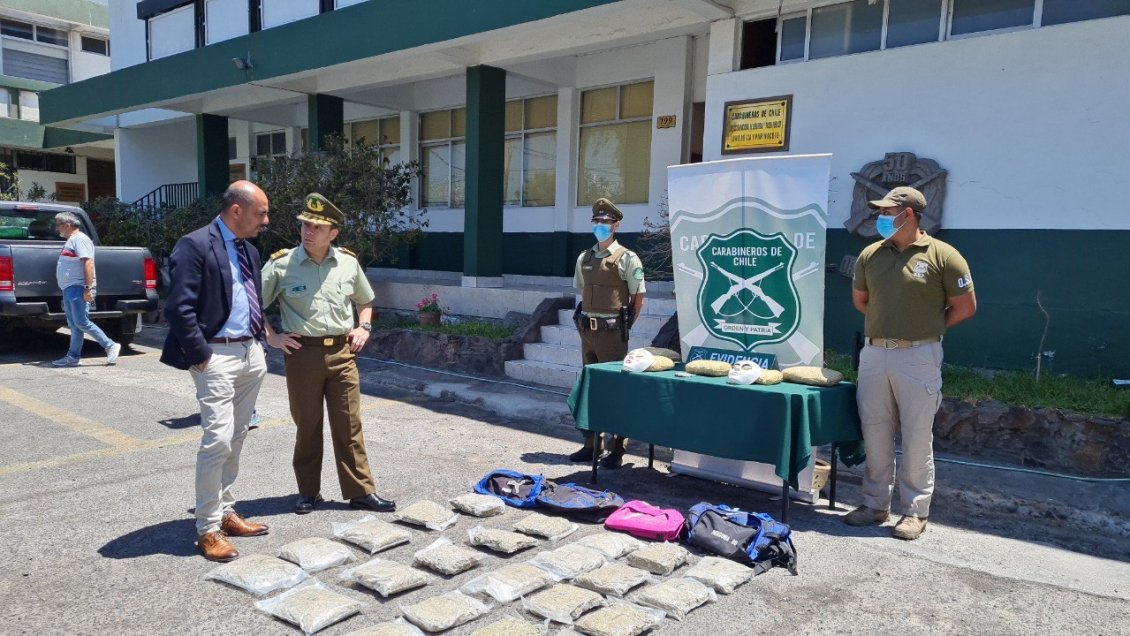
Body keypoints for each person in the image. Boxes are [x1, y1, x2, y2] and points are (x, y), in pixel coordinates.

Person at [846, 186, 977, 540]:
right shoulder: (870, 255)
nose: (881, 218)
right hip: (874, 354)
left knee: (917, 435)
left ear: (909, 214)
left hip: (919, 355)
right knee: (874, 430)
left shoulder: (944, 256)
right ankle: (875, 504)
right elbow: (861, 301)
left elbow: (966, 306)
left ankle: (915, 511)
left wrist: (928, 328)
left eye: (888, 212)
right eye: (880, 212)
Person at [261, 193, 396, 515]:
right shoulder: (281, 264)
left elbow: (365, 300)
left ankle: (361, 492)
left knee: (349, 425)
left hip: (342, 352)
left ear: (333, 233)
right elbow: (254, 305)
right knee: (308, 426)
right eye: (305, 225)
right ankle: (308, 492)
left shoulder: (347, 262)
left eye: (317, 227)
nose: (308, 232)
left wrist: (364, 327)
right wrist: (272, 337)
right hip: (302, 355)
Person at [161, 181, 271, 562]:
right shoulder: (194, 245)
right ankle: (207, 529)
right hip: (216, 356)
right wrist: (202, 356)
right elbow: (178, 307)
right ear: (236, 210)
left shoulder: (249, 250)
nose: (266, 221)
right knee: (218, 440)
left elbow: (252, 299)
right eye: (261, 213)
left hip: (249, 353)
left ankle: (225, 511)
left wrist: (259, 342)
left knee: (237, 436)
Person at [567, 198, 646, 469]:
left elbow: (638, 298)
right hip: (587, 333)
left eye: (606, 222)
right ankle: (592, 444)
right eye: (597, 221)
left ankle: (617, 448)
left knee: (614, 392)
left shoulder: (627, 258)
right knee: (590, 390)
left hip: (612, 334)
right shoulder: (584, 258)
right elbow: (583, 291)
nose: (600, 226)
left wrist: (625, 326)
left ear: (616, 225)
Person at [51, 211, 120, 367]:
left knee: (81, 322)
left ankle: (110, 345)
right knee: (74, 325)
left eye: (58, 225)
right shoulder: (72, 240)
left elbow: (88, 263)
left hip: (78, 287)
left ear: (67, 225)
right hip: (70, 288)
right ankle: (73, 357)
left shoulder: (80, 239)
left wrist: (88, 288)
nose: (57, 229)